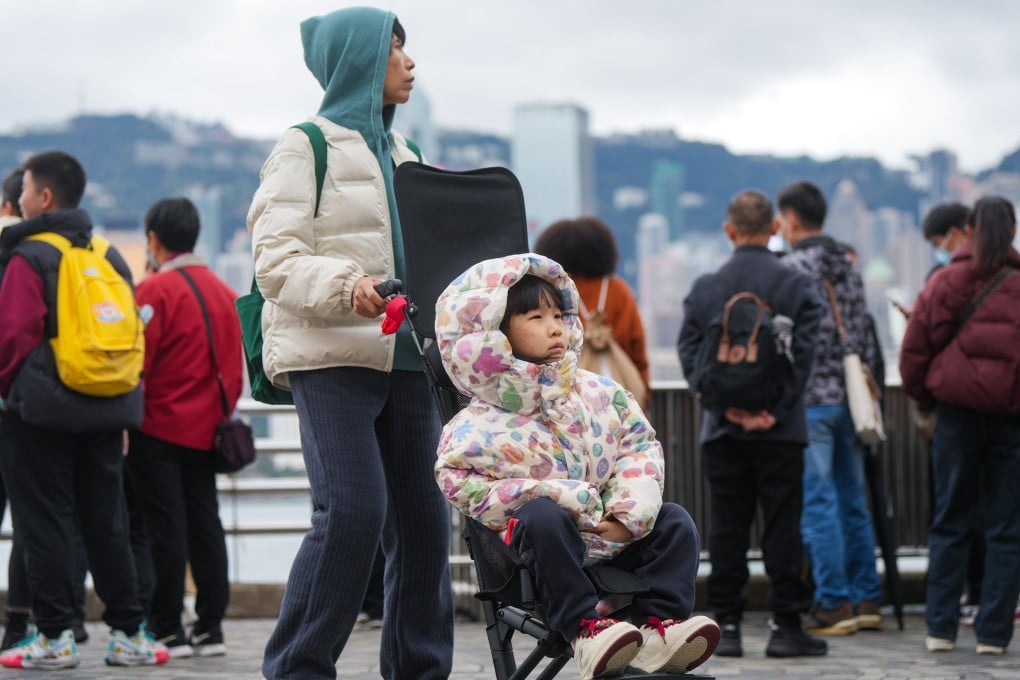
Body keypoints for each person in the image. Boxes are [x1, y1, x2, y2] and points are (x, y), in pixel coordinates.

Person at [247, 8, 453, 678]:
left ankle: (420, 670)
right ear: (360, 59)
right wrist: (350, 286)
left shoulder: (407, 155)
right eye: (394, 49)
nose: (409, 62)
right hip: (332, 356)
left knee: (425, 526)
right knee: (352, 513)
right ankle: (298, 668)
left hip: (408, 362)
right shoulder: (303, 146)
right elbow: (275, 262)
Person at [434, 253, 720, 679]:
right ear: (494, 334)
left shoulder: (601, 393)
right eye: (536, 317)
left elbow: (638, 448)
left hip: (609, 536)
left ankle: (658, 626)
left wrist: (626, 515)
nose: (555, 327)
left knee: (674, 520)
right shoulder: (474, 424)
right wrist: (553, 495)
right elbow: (457, 481)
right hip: (534, 553)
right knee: (542, 515)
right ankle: (583, 630)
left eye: (558, 315)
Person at [0, 150, 168, 669]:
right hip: (108, 405)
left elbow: (13, 338)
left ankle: (54, 637)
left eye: (25, 189)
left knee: (45, 522)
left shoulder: (29, 256)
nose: (20, 197)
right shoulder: (107, 253)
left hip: (40, 413)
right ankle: (129, 633)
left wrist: (11, 392)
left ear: (44, 196)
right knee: (106, 521)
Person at [677, 190, 826, 658]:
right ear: (775, 228)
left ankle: (727, 625)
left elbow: (689, 353)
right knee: (783, 526)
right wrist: (776, 411)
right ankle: (786, 627)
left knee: (728, 526)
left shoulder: (707, 287)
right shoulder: (796, 285)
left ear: (729, 230)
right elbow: (806, 357)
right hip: (782, 431)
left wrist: (723, 408)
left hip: (722, 430)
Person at [899, 196, 1020, 656]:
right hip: (1011, 417)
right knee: (1007, 527)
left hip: (955, 415)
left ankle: (940, 628)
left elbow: (914, 351)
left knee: (951, 520)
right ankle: (994, 634)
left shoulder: (946, 280)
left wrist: (927, 397)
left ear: (968, 229)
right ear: (1012, 231)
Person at [125, 197, 242, 658]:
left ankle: (167, 626)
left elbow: (137, 363)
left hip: (158, 428)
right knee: (205, 523)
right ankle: (211, 626)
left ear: (153, 239)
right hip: (210, 429)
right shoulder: (225, 293)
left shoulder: (152, 293)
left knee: (165, 528)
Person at [776, 180, 884, 635]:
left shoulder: (792, 267)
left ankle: (834, 602)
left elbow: (784, 338)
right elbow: (864, 330)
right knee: (853, 499)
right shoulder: (849, 265)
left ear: (791, 219)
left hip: (811, 402)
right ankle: (866, 598)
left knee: (819, 502)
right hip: (851, 399)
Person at [533, 217, 650, 403]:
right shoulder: (618, 290)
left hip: (563, 397)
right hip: (618, 398)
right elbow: (638, 351)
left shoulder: (549, 290)